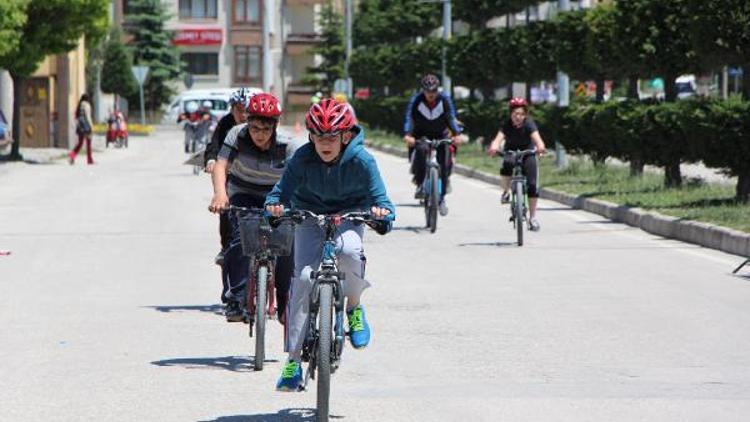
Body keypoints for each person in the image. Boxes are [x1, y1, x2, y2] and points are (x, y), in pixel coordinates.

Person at [265, 98, 395, 392]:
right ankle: (293, 362)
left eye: (332, 136)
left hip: (349, 215)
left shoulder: (363, 161)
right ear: (311, 136)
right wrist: (275, 208)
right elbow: (279, 194)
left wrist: (381, 215)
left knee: (349, 250)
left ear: (345, 135)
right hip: (309, 216)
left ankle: (354, 307)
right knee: (302, 279)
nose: (325, 142)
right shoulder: (301, 158)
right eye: (319, 136)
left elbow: (383, 202)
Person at [208, 93, 296, 323]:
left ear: (275, 126)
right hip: (243, 192)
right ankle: (236, 298)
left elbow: (300, 177)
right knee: (238, 240)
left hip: (275, 196)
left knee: (287, 244)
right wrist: (220, 194)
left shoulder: (288, 144)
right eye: (255, 128)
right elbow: (221, 164)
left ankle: (285, 298)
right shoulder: (236, 135)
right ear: (248, 122)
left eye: (266, 129)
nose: (260, 134)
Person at [403, 74, 463, 216]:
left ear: (438, 90)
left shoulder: (444, 99)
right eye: (428, 91)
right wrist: (408, 134)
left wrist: (457, 133)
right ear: (423, 90)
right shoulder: (417, 100)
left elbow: (450, 117)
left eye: (434, 91)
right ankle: (420, 185)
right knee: (421, 150)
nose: (431, 94)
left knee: (445, 162)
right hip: (421, 135)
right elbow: (409, 118)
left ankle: (441, 199)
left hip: (440, 134)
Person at [205, 88, 251, 267]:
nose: (243, 114)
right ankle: (226, 248)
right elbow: (215, 144)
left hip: (255, 174)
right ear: (232, 109)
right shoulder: (225, 123)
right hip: (231, 172)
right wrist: (211, 159)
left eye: (247, 109)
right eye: (239, 109)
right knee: (225, 208)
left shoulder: (258, 124)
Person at [487, 97, 547, 231]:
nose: (518, 117)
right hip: (511, 152)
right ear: (511, 114)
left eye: (521, 114)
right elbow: (498, 139)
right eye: (515, 114)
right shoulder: (506, 124)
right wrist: (493, 147)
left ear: (525, 115)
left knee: (532, 185)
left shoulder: (529, 124)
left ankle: (532, 218)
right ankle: (505, 192)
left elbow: (538, 139)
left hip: (528, 153)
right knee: (507, 164)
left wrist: (541, 147)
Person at [68, 94, 94, 165]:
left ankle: (72, 154)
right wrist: (91, 126)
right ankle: (89, 160)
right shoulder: (87, 105)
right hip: (87, 126)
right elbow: (88, 117)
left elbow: (76, 117)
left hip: (80, 126)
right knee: (88, 143)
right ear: (87, 99)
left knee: (80, 143)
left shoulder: (79, 106)